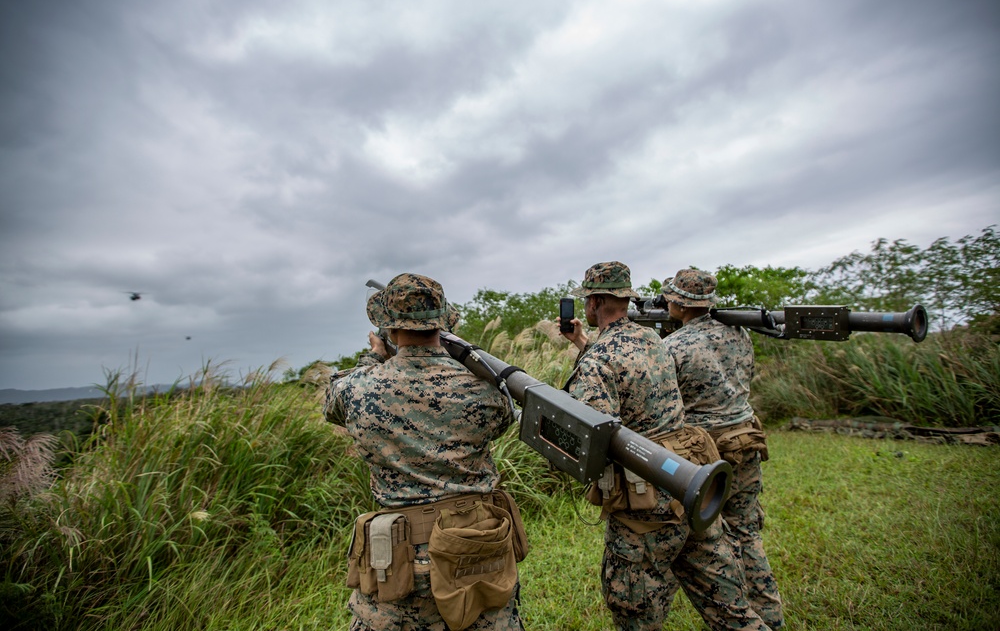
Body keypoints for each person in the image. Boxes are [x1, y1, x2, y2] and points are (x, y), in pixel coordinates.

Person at [560, 261, 770, 631]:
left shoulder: (601, 359)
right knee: (730, 610)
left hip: (647, 502)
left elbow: (589, 437)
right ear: (626, 299)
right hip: (691, 483)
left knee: (635, 612)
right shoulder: (654, 341)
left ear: (593, 303)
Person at [323, 273, 527, 631]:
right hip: (478, 553)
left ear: (387, 326)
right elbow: (504, 419)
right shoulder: (485, 388)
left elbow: (332, 405)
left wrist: (374, 358)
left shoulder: (358, 389)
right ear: (443, 321)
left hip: (399, 565)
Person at [660, 268, 784, 629]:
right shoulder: (740, 333)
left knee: (708, 542)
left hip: (706, 454)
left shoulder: (675, 347)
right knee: (746, 531)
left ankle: (736, 617)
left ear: (681, 304)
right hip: (746, 440)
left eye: (671, 297)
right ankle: (770, 616)